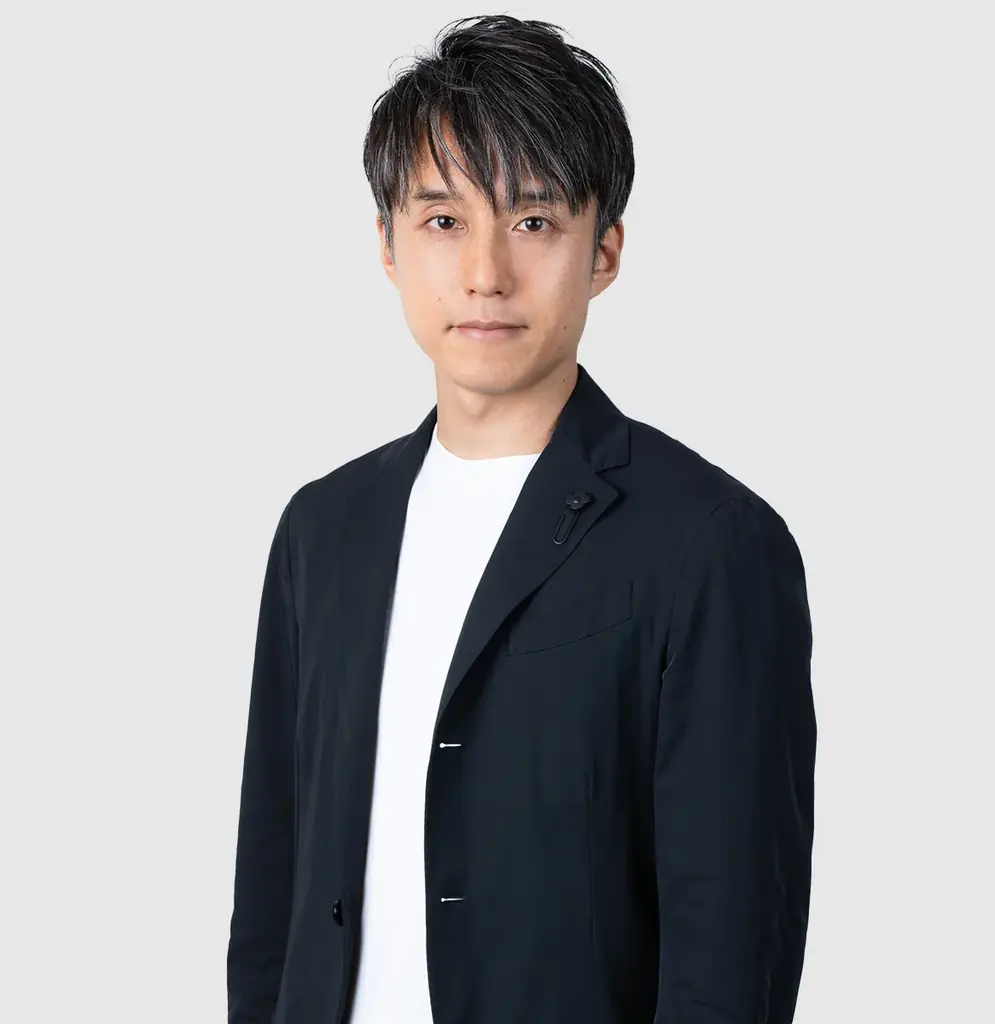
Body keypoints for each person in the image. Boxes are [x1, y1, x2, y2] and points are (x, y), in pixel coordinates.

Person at [227, 14, 816, 1024]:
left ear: (604, 251)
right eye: (443, 221)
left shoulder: (710, 543)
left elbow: (729, 950)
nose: (486, 273)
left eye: (534, 221)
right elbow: (271, 894)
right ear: (387, 245)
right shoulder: (322, 531)